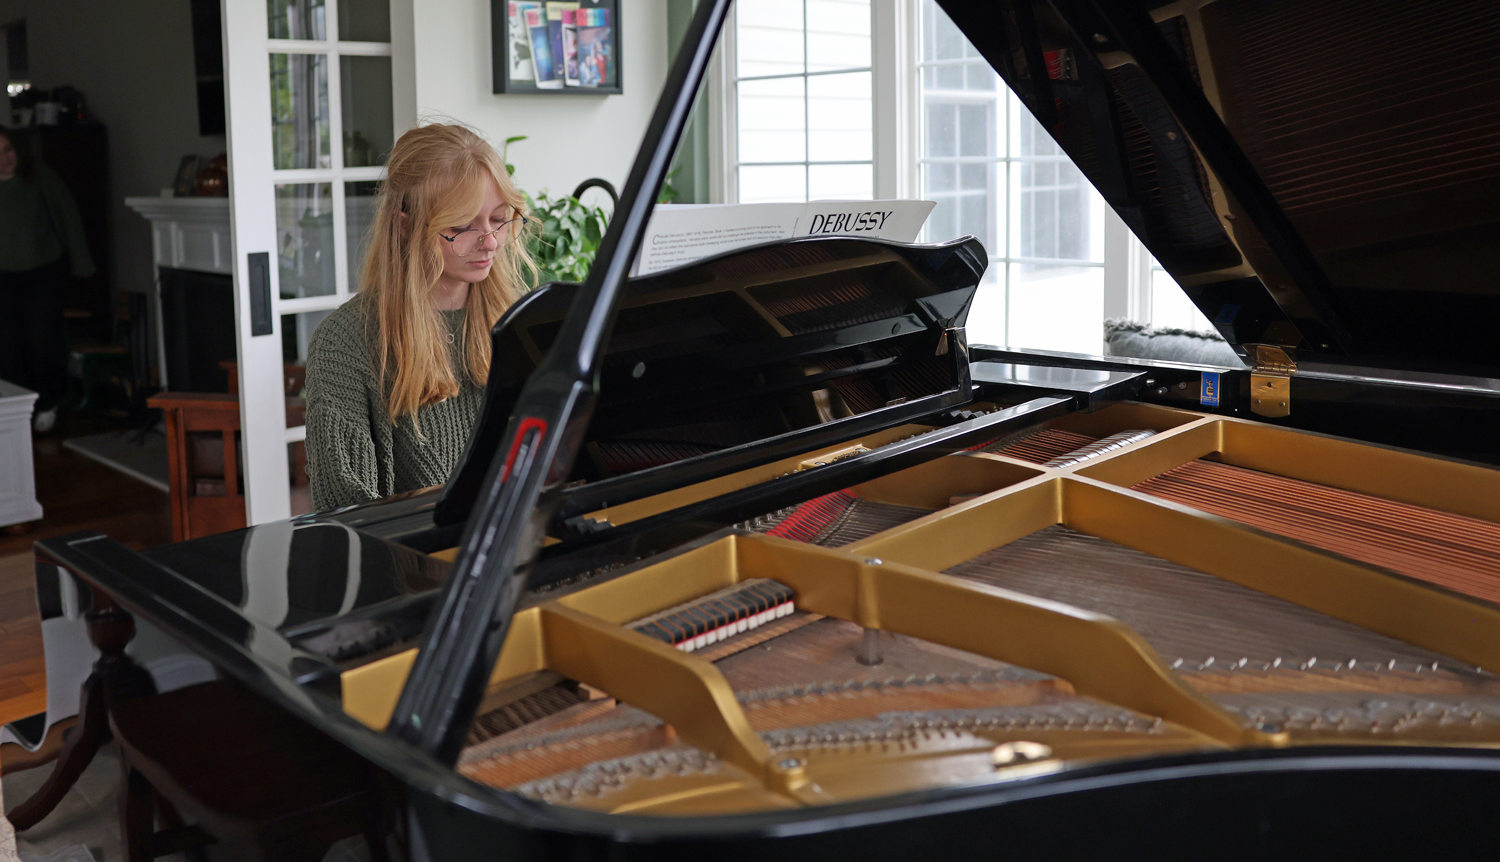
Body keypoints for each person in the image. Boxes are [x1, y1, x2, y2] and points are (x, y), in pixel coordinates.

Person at [304, 124, 535, 511]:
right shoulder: (344, 344)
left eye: (498, 219)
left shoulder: (519, 323)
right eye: (461, 227)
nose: (491, 241)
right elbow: (345, 514)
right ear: (405, 223)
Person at [0, 127, 96, 433]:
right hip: (4, 278)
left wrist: (82, 261)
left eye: (7, 151)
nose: (4, 160)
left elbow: (67, 214)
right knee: (8, 346)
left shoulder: (38, 175)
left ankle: (49, 402)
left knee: (43, 341)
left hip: (42, 272)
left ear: (17, 149)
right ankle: (20, 408)